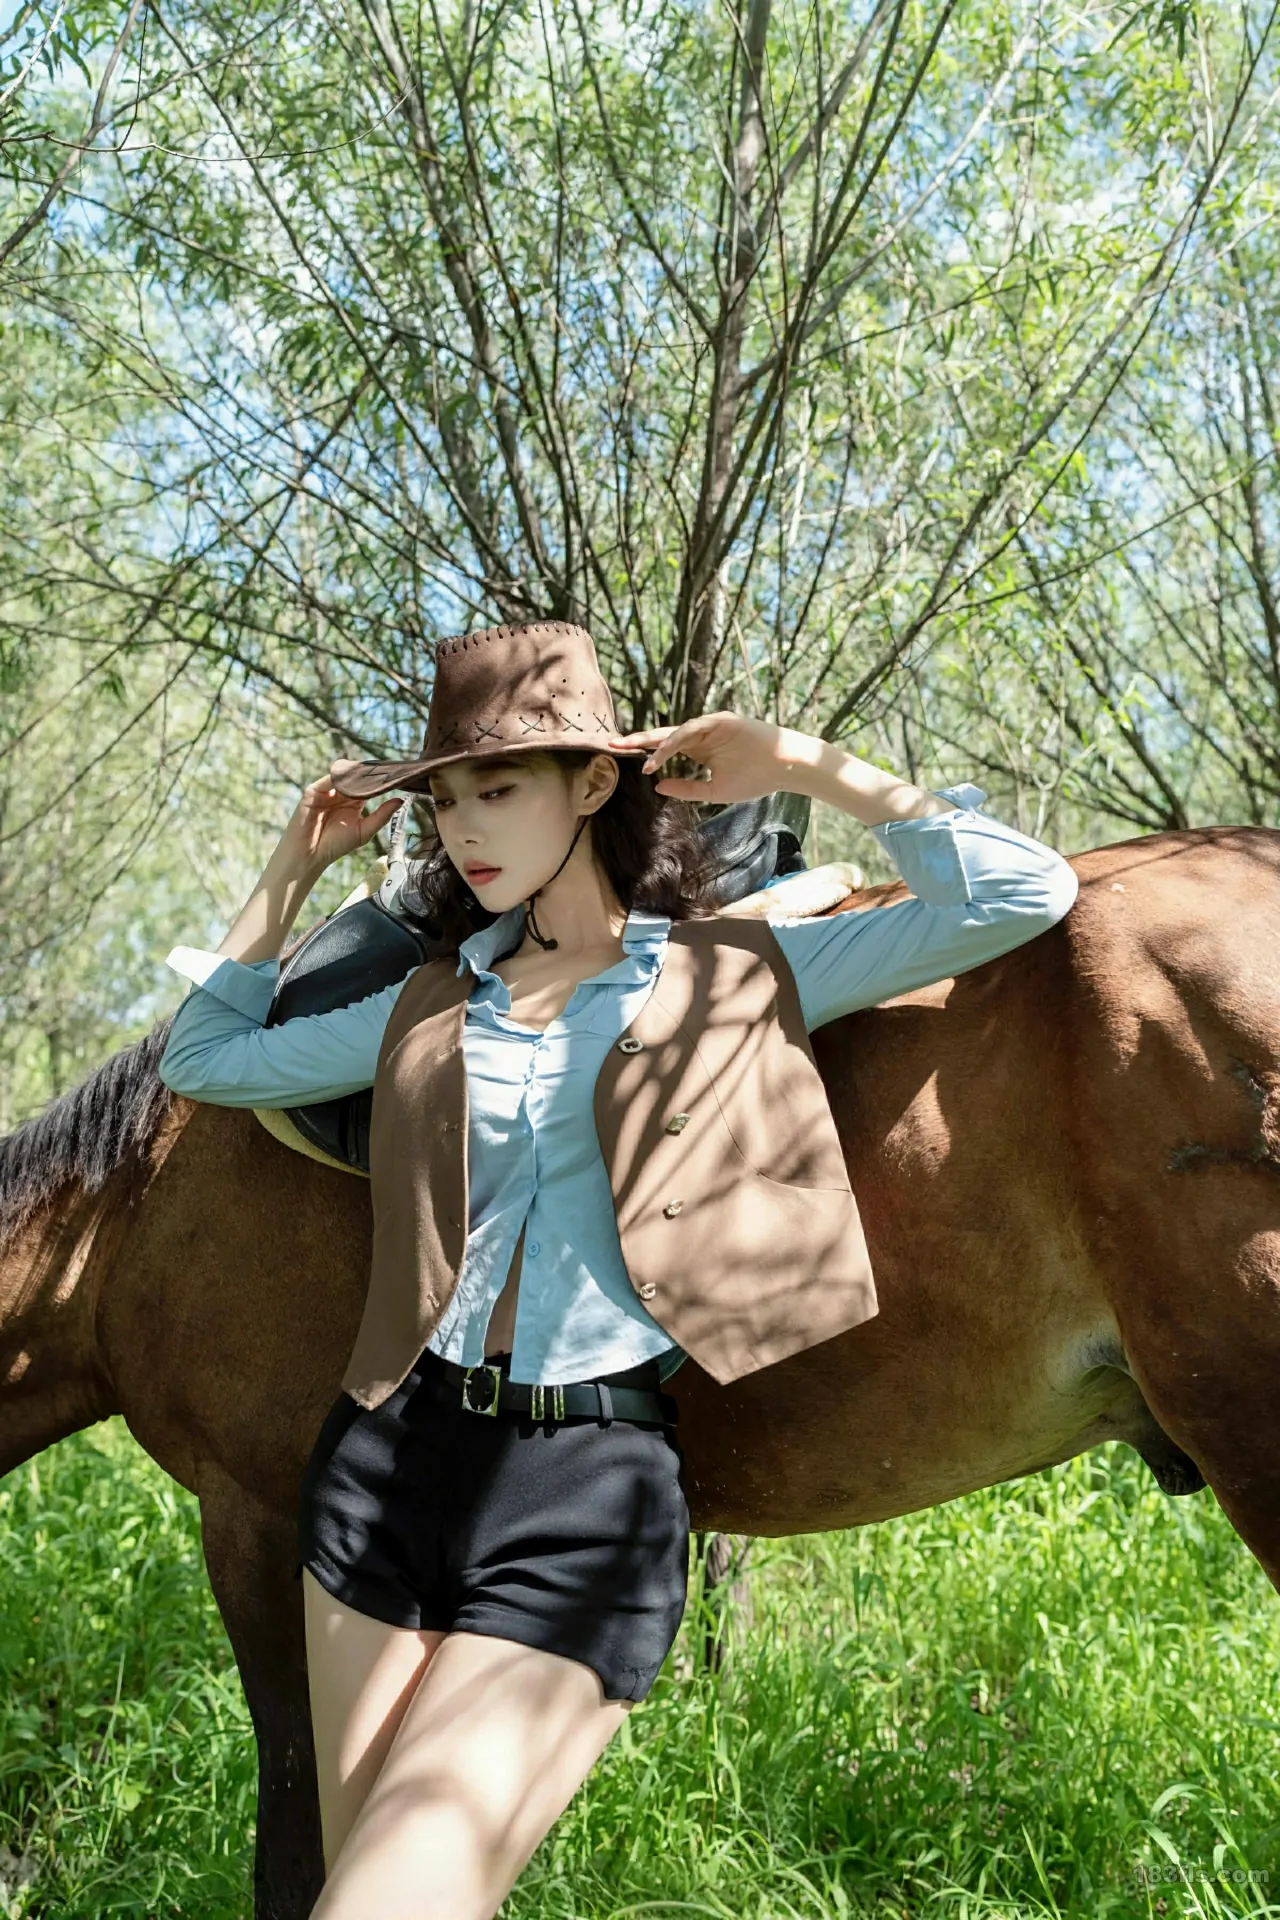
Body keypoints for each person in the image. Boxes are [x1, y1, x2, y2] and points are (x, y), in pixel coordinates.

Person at [157, 619, 1079, 1920]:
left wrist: (805, 767)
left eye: (500, 788)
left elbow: (1023, 892)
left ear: (595, 783)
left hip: (580, 1495)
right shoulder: (434, 1001)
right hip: (381, 1465)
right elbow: (205, 1060)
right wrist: (292, 867)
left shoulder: (731, 974)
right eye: (447, 800)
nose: (465, 829)